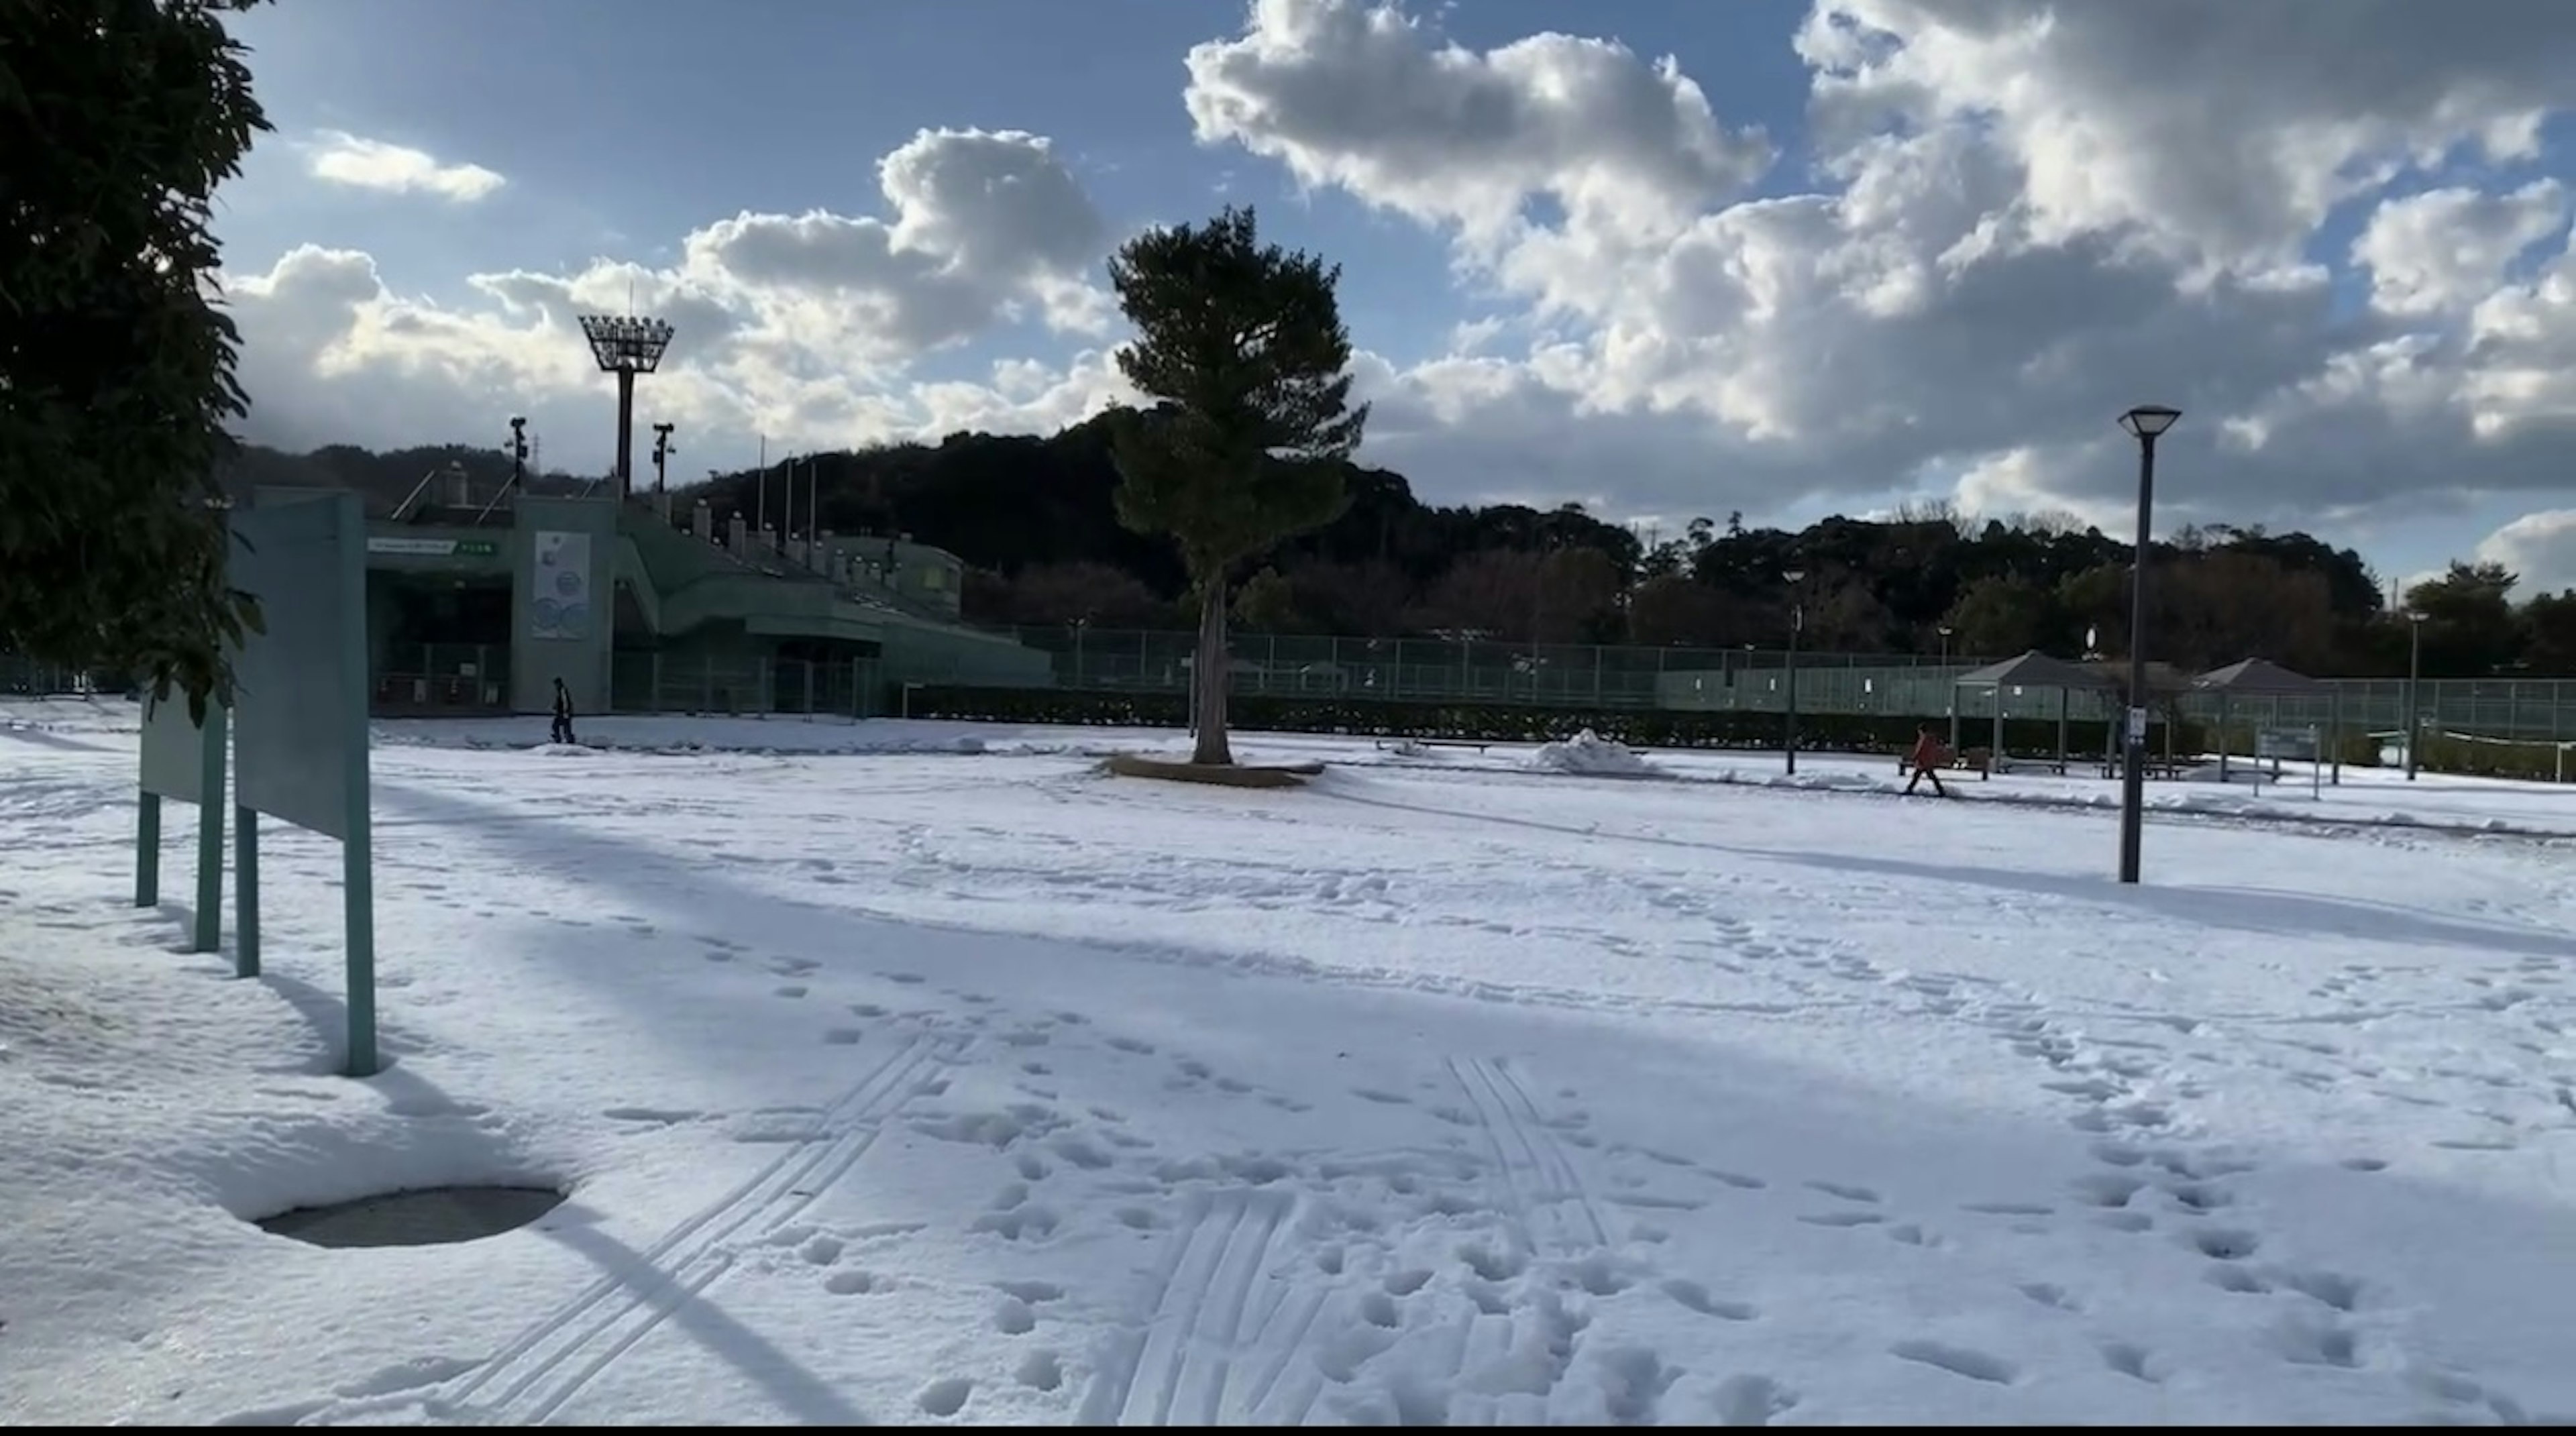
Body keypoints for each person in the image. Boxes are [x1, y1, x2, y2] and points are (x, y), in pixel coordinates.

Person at [1904, 723, 1949, 797]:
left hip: (1923, 761)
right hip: (1929, 760)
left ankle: (1910, 789)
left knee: (1918, 776)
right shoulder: (1932, 738)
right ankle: (1941, 790)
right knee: (1928, 776)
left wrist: (1915, 757)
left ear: (1921, 731)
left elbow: (1920, 750)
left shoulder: (1923, 738)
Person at [550, 677, 577, 745]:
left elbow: (565, 702)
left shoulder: (563, 691)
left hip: (564, 713)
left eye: (556, 684)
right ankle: (568, 739)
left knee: (557, 725)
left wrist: (566, 711)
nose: (555, 686)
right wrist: (556, 706)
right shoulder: (561, 691)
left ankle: (561, 738)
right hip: (563, 712)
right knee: (565, 726)